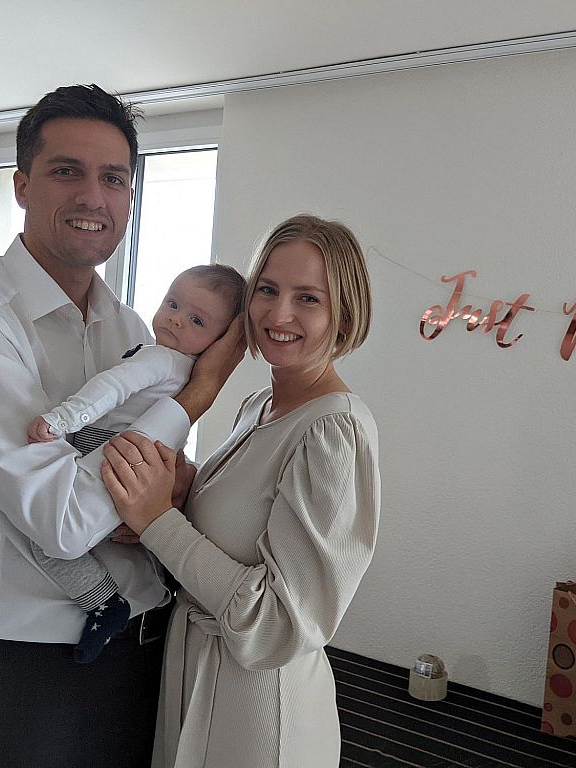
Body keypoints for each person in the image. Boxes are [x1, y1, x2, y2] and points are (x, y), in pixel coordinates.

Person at [0, 84, 243, 767]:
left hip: (145, 649)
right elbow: (61, 519)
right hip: (27, 677)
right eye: (67, 171)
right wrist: (196, 398)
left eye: (113, 178)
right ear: (23, 185)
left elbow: (160, 487)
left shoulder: (133, 328)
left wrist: (161, 495)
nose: (93, 196)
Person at [102, 214, 380, 768]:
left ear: (344, 315)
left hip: (257, 710)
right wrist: (182, 493)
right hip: (195, 677)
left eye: (308, 298)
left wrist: (160, 523)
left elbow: (280, 624)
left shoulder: (333, 431)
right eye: (267, 290)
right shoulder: (259, 407)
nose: (279, 314)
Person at [27, 264, 245, 663]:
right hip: (136, 466)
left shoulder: (160, 360)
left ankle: (103, 603)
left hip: (109, 455)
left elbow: (109, 389)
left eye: (196, 320)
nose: (176, 319)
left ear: (222, 342)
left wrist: (61, 420)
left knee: (47, 540)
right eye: (173, 303)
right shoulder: (185, 374)